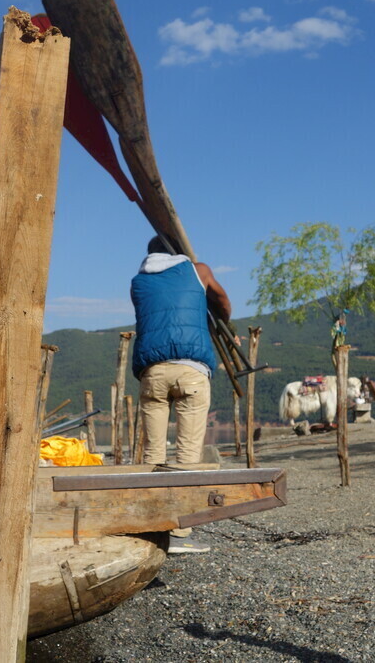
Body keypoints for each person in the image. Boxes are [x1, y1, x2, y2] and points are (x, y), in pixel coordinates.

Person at [131, 236, 232, 554]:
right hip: (191, 370)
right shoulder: (198, 270)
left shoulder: (137, 282)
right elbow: (223, 303)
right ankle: (180, 533)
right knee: (188, 455)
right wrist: (219, 320)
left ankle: (151, 527)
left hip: (153, 371)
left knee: (152, 456)